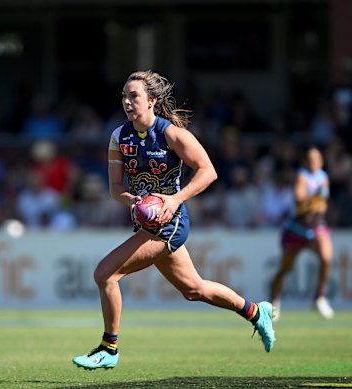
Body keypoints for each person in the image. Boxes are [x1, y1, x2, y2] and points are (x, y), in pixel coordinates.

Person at [72, 70, 275, 370]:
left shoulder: (171, 134)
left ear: (152, 100)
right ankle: (257, 312)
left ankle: (109, 349)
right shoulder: (119, 137)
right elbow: (116, 189)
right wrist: (132, 201)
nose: (127, 101)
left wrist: (174, 199)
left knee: (105, 274)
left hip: (171, 224)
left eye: (134, 96)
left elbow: (208, 171)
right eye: (124, 96)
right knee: (195, 290)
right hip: (147, 223)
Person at [270, 146, 334, 322]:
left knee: (326, 257)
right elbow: (299, 199)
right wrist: (315, 201)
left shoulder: (323, 177)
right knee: (285, 269)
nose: (314, 162)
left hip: (315, 227)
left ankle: (319, 296)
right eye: (310, 159)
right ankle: (274, 300)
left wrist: (319, 206)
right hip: (296, 229)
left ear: (321, 161)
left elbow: (324, 203)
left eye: (317, 159)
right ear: (306, 162)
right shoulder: (302, 176)